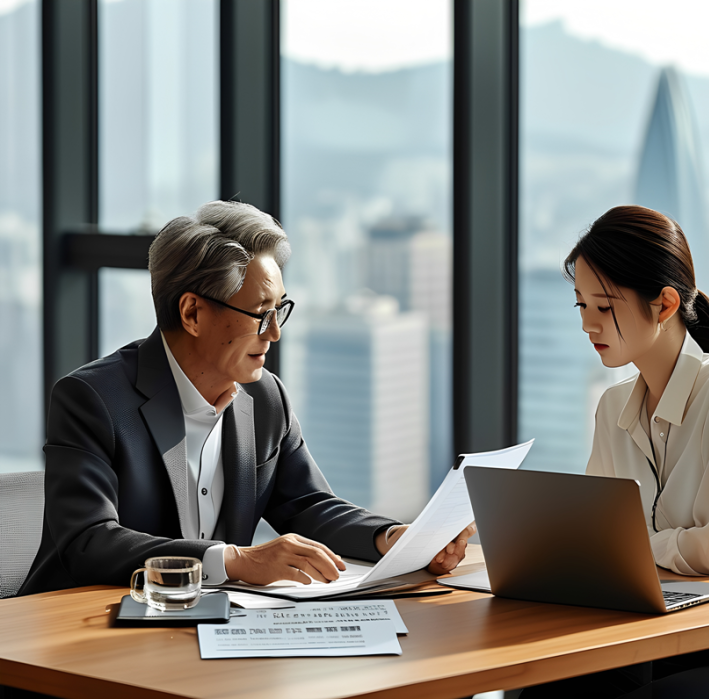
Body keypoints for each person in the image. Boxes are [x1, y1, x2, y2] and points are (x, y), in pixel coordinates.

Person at [20, 200, 473, 596]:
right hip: (84, 637)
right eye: (260, 314)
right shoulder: (93, 399)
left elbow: (306, 505)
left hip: (203, 631)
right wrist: (234, 560)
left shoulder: (265, 398)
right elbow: (89, 541)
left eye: (280, 310)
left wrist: (393, 538)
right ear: (193, 312)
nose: (275, 333)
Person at [520, 206, 709, 698]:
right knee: (542, 692)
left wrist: (635, 550)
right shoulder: (613, 407)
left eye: (604, 306)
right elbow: (599, 546)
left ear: (663, 305)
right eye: (581, 306)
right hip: (650, 642)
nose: (587, 325)